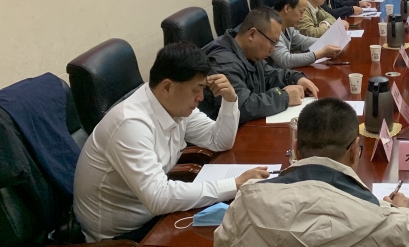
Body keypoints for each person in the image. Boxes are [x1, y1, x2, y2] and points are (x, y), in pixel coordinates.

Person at [73, 42, 269, 242]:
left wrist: (229, 100)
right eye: (196, 90)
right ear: (167, 87)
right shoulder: (129, 124)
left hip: (156, 214)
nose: (201, 97)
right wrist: (234, 184)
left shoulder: (173, 105)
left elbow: (219, 141)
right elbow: (158, 198)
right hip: (122, 236)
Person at [214, 98, 409, 247]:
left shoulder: (246, 202)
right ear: (354, 151)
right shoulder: (389, 221)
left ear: (296, 149)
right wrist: (407, 214)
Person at [200, 7, 319, 124]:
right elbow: (241, 108)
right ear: (252, 34)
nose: (273, 49)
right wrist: (284, 97)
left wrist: (296, 78)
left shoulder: (249, 51)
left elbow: (270, 74)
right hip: (224, 134)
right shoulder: (223, 63)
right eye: (272, 42)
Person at [268, 0, 342, 69]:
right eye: (301, 12)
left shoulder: (287, 25)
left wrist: (328, 42)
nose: (302, 17)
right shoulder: (270, 28)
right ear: (287, 8)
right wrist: (321, 53)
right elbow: (286, 60)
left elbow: (302, 41)